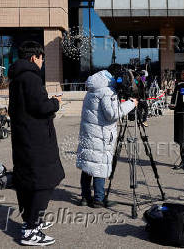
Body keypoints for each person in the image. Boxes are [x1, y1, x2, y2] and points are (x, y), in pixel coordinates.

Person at [8, 41, 64, 246]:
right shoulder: (31, 78)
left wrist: (46, 102)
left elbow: (29, 106)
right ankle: (31, 229)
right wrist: (55, 102)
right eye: (42, 58)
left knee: (28, 182)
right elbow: (40, 107)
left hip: (24, 138)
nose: (42, 62)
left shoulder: (17, 78)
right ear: (34, 58)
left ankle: (30, 222)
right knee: (43, 182)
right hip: (36, 141)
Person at [76, 64, 138, 208]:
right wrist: (131, 104)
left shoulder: (94, 86)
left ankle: (85, 198)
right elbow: (112, 114)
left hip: (89, 132)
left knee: (88, 165)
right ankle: (98, 199)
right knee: (100, 165)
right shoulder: (107, 91)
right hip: (101, 135)